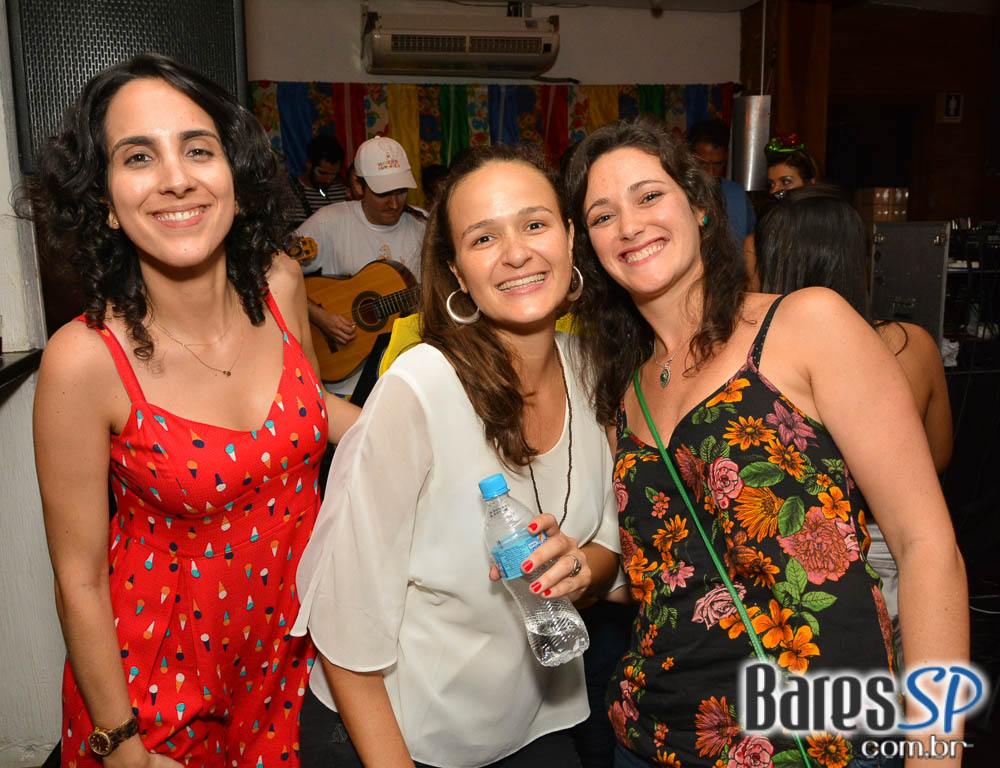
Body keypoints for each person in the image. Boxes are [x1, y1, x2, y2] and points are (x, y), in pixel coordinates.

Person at [566, 115, 968, 768]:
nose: (630, 225)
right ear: (590, 246)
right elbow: (662, 579)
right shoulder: (624, 392)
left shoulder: (806, 323)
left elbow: (927, 546)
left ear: (699, 206)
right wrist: (582, 570)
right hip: (649, 737)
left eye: (649, 195)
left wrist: (935, 750)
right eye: (603, 216)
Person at [28, 53, 359, 768]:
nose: (175, 177)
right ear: (104, 200)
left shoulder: (280, 283)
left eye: (198, 149)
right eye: (138, 156)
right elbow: (79, 579)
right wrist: (122, 748)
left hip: (292, 659)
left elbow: (312, 411)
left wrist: (448, 432)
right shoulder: (84, 359)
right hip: (157, 690)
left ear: (234, 174)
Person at [292, 144, 625, 768]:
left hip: (533, 721)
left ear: (570, 238)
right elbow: (344, 622)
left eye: (534, 224)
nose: (516, 253)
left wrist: (582, 569)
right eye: (483, 238)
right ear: (457, 272)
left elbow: (608, 544)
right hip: (398, 731)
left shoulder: (592, 370)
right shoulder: (419, 387)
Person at [755, 183, 954, 657]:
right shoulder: (910, 346)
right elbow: (937, 458)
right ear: (859, 259)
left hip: (791, 567)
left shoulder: (752, 365)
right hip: (892, 551)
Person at [296, 136, 426, 401]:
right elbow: (272, 273)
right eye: (383, 193)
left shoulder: (424, 225)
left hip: (408, 377)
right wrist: (318, 316)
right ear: (358, 184)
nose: (394, 203)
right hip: (345, 385)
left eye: (401, 191)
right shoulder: (330, 222)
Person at [687, 118, 755, 251]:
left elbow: (751, 245)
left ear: (726, 156)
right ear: (690, 156)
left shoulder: (737, 195)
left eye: (718, 164)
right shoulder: (679, 194)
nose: (710, 172)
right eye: (703, 164)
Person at [288, 134, 348, 226]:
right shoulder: (288, 194)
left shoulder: (343, 193)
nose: (328, 180)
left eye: (334, 175)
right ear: (309, 164)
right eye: (322, 173)